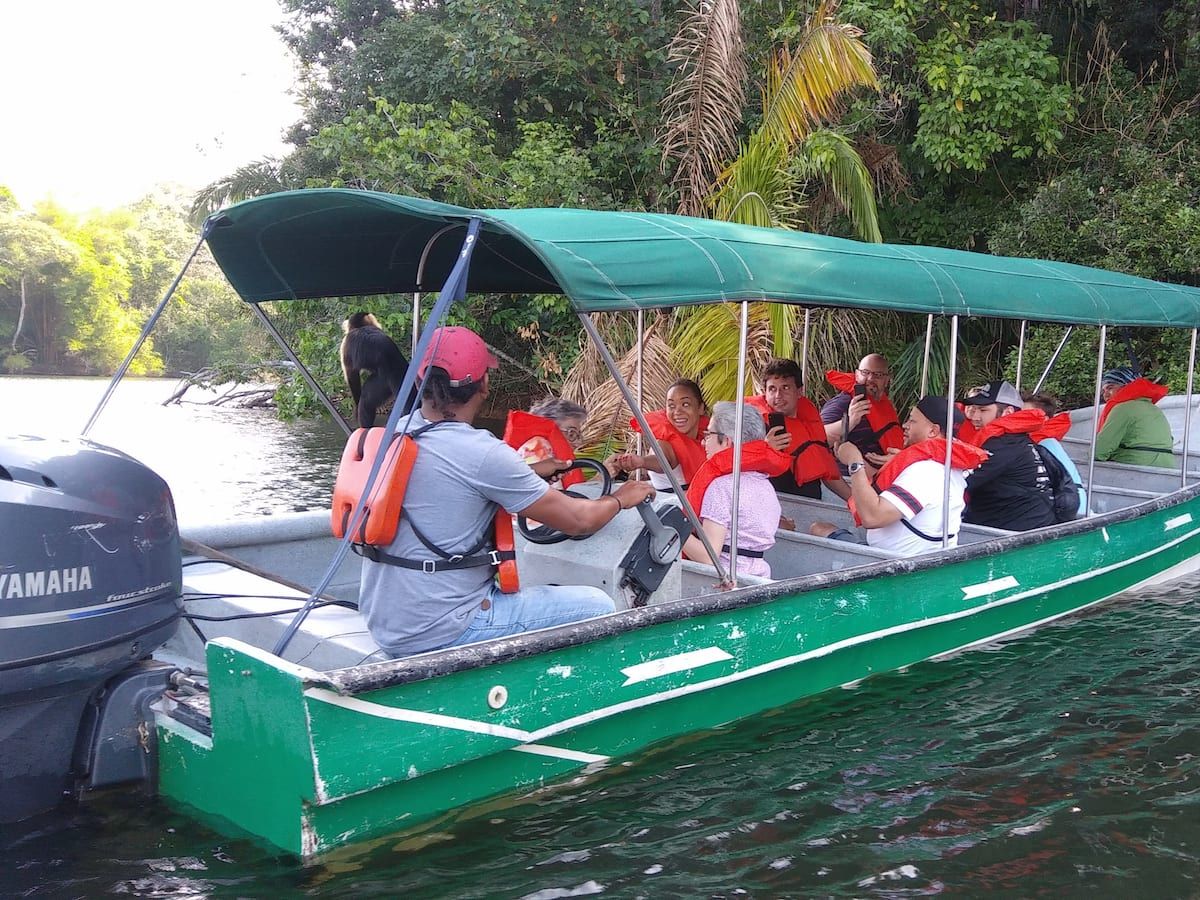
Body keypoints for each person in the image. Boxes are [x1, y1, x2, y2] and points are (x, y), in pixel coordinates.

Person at [357, 326, 655, 657]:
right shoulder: (483, 452)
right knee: (597, 604)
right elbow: (578, 520)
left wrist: (535, 470)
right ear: (484, 384)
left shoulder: (392, 435)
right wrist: (621, 497)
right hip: (447, 628)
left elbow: (456, 479)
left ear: (419, 381)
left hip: (386, 623)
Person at [811, 397, 987, 555]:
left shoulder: (927, 472)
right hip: (914, 557)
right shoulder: (947, 464)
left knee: (818, 528)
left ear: (933, 431)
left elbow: (872, 517)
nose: (905, 425)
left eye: (912, 421)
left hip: (894, 564)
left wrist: (855, 462)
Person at [682, 402, 787, 578]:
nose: (703, 442)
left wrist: (671, 529)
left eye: (709, 435)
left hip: (723, 583)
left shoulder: (721, 488)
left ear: (727, 441)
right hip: (759, 577)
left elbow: (709, 556)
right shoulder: (765, 485)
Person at [746, 358, 849, 500]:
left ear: (799, 391)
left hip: (811, 507)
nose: (778, 396)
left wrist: (856, 502)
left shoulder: (810, 423)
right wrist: (764, 450)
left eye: (785, 388)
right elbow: (739, 471)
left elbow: (826, 470)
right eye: (772, 389)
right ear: (765, 392)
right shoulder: (754, 426)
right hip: (777, 508)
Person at [961, 380, 1056, 531]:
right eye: (975, 409)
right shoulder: (1017, 438)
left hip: (1016, 535)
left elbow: (958, 482)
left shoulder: (1003, 444)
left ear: (1008, 412)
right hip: (1031, 524)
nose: (975, 417)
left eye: (983, 410)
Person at [611, 379, 708, 492]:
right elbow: (660, 460)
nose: (677, 411)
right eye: (671, 406)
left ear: (701, 408)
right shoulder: (664, 444)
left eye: (685, 404)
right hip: (673, 506)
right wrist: (642, 461)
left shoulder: (708, 438)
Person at [820, 354, 904, 468]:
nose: (870, 378)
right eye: (865, 372)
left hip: (884, 476)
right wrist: (850, 422)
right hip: (849, 478)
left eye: (877, 375)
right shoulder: (843, 403)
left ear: (886, 380)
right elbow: (818, 438)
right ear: (857, 374)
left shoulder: (885, 405)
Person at [1023, 391, 1087, 517]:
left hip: (1072, 507)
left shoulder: (1047, 444)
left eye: (1025, 414)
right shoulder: (1037, 440)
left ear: (1044, 419)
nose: (1018, 418)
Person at [1094, 366, 1174, 468]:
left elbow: (1099, 451)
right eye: (1103, 391)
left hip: (1138, 465)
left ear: (1126, 386)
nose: (1105, 395)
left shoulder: (1122, 409)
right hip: (1168, 466)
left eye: (1110, 388)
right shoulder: (1155, 409)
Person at [504, 397, 588, 487]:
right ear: (549, 425)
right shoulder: (537, 449)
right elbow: (558, 499)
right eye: (572, 434)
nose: (578, 443)